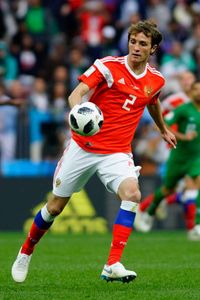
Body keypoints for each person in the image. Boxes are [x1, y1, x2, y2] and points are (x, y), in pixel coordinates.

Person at [11, 20, 176, 284]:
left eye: (142, 44)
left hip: (117, 152)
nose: (135, 47)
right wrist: (79, 110)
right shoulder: (107, 66)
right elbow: (77, 94)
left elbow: (152, 101)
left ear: (153, 48)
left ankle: (112, 264)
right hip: (83, 147)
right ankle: (26, 252)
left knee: (132, 193)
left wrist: (162, 128)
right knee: (55, 207)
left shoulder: (156, 80)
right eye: (133, 41)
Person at [135, 80, 200, 240]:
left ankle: (196, 225)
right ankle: (148, 211)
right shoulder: (183, 110)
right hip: (178, 157)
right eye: (197, 89)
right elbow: (162, 126)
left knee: (197, 186)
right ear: (191, 92)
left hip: (196, 158)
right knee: (167, 190)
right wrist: (183, 136)